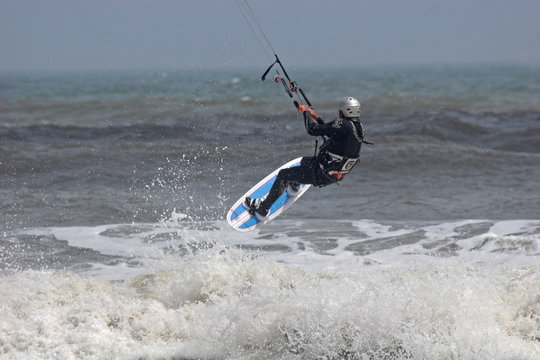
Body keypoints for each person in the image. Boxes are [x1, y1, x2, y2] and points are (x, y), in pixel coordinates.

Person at [245, 96, 368, 219]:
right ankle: (294, 185)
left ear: (343, 112)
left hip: (321, 173)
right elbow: (331, 132)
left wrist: (305, 112)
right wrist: (316, 117)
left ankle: (263, 209)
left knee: (284, 175)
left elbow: (312, 129)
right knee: (304, 161)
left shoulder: (341, 124)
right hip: (335, 174)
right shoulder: (359, 128)